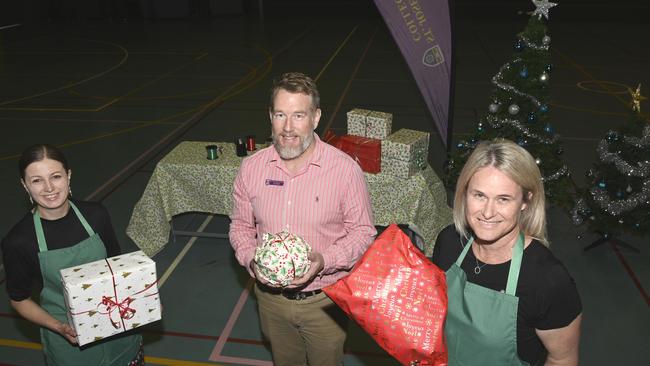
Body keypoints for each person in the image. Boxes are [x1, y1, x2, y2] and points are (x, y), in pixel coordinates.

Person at [229, 72, 376, 366]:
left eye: (299, 115)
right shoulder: (251, 168)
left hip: (325, 301)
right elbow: (241, 226)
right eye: (280, 114)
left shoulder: (344, 170)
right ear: (270, 116)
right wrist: (249, 258)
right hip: (270, 301)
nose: (288, 127)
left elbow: (363, 232)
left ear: (316, 117)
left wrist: (325, 259)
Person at [431, 139, 582, 366]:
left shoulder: (548, 280)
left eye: (503, 199)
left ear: (525, 201)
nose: (488, 213)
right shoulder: (449, 242)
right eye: (479, 195)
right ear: (464, 192)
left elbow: (562, 360)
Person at [1, 144, 144, 366]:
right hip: (69, 343)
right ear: (25, 185)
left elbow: (116, 267)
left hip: (118, 330)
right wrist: (58, 327)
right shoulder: (19, 241)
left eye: (55, 176)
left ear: (68, 176)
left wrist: (142, 299)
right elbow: (19, 299)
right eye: (37, 180)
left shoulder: (96, 215)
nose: (49, 188)